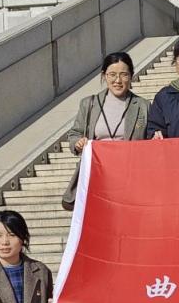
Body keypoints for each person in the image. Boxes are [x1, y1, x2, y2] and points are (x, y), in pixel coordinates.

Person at [62, 52, 149, 210]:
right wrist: (78, 143)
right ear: (104, 76)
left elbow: (149, 140)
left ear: (131, 76)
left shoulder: (143, 105)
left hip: (129, 177)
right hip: (97, 177)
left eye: (124, 74)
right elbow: (75, 133)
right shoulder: (89, 104)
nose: (118, 80)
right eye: (112, 75)